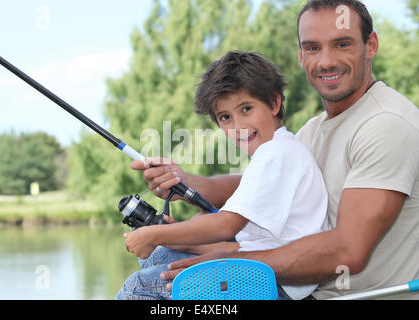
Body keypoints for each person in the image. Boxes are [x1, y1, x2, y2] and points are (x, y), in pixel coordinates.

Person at [134, 0, 419, 299]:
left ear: (370, 45)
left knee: (141, 289)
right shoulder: (314, 128)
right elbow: (261, 187)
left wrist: (231, 263)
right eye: (312, 48)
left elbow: (348, 252)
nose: (325, 61)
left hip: (324, 294)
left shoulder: (386, 124)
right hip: (299, 289)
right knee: (157, 257)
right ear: (300, 54)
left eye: (341, 44)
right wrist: (185, 183)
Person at [117, 51, 330, 300]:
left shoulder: (276, 155)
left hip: (277, 287)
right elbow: (246, 247)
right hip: (264, 274)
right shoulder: (277, 152)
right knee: (160, 255)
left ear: (274, 104)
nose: (237, 126)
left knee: (137, 288)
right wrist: (177, 239)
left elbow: (224, 225)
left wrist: (154, 234)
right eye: (226, 117)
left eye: (246, 109)